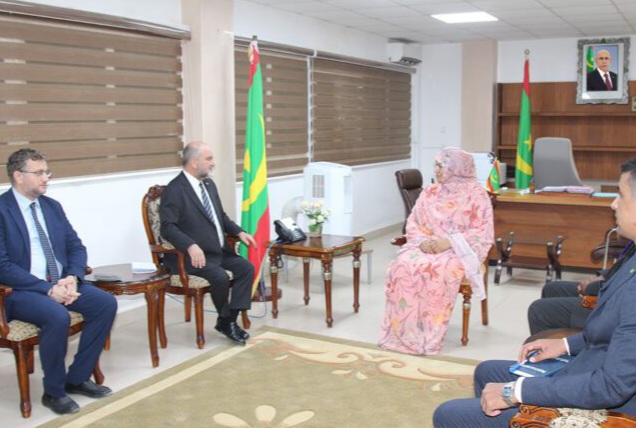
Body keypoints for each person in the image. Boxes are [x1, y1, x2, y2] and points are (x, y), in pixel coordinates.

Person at [433, 157, 636, 427]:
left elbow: (611, 386)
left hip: (608, 407)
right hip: (591, 368)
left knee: (448, 414)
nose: (613, 204)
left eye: (620, 195)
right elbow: (610, 333)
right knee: (486, 372)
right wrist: (565, 345)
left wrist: (515, 393)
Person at [0, 149, 117, 415]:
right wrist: (48, 289)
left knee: (105, 303)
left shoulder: (52, 207)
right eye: (39, 173)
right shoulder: (1, 210)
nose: (46, 178)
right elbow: (2, 266)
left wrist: (72, 277)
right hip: (20, 291)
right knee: (56, 316)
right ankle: (53, 392)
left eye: (47, 172)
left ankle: (77, 378)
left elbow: (76, 247)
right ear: (18, 176)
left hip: (61, 282)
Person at [378, 147, 494, 355]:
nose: (437, 170)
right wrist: (422, 241)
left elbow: (481, 232)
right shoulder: (430, 191)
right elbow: (413, 221)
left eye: (442, 166)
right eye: (436, 165)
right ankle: (403, 331)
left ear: (457, 168)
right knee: (403, 265)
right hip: (425, 245)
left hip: (457, 250)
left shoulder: (477, 194)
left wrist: (449, 242)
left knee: (438, 270)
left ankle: (427, 334)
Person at [160, 141, 255, 346]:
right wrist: (190, 245)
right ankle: (227, 320)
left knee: (246, 268)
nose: (213, 163)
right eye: (209, 159)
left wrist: (239, 232)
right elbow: (167, 227)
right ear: (194, 162)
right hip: (191, 258)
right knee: (219, 276)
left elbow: (221, 216)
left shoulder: (209, 185)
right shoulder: (175, 189)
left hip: (218, 252)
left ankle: (227, 321)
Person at [527, 239, 634, 334]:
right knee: (552, 288)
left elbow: (624, 287)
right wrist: (602, 276)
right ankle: (560, 339)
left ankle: (578, 345)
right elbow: (622, 268)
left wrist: (591, 287)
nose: (618, 222)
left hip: (613, 309)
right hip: (611, 290)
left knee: (539, 310)